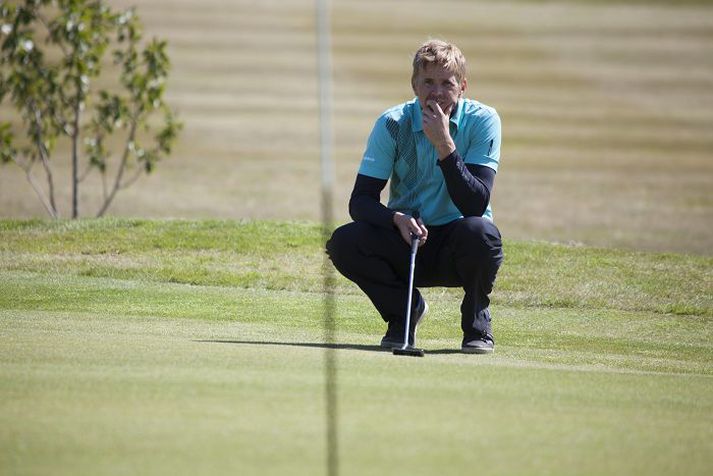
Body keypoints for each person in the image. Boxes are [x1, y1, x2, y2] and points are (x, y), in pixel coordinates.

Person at [326, 39, 504, 354]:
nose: (436, 92)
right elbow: (361, 201)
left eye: (446, 84)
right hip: (407, 241)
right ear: (414, 85)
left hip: (458, 246)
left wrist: (444, 144)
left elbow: (476, 204)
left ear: (462, 86)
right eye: (428, 83)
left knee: (481, 232)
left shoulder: (483, 120)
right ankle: (403, 313)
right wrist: (396, 219)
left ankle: (476, 320)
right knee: (344, 242)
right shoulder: (392, 124)